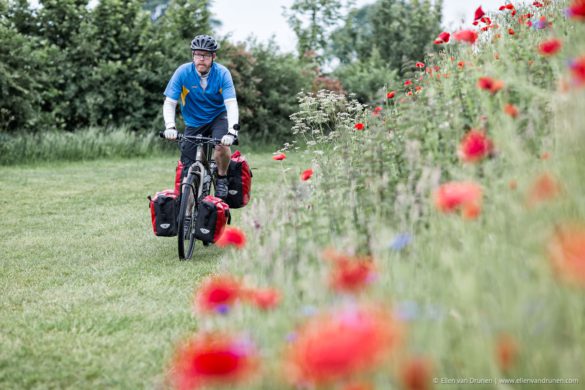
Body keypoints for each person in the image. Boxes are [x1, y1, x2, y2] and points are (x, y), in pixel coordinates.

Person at [162, 34, 239, 199]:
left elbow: (231, 104)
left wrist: (232, 132)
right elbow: (170, 103)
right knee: (187, 167)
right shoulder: (183, 72)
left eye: (205, 55)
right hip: (194, 121)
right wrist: (170, 126)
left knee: (221, 146)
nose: (201, 59)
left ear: (213, 57)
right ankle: (187, 206)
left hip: (218, 117)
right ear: (193, 56)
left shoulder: (222, 73)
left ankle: (222, 178)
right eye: (197, 54)